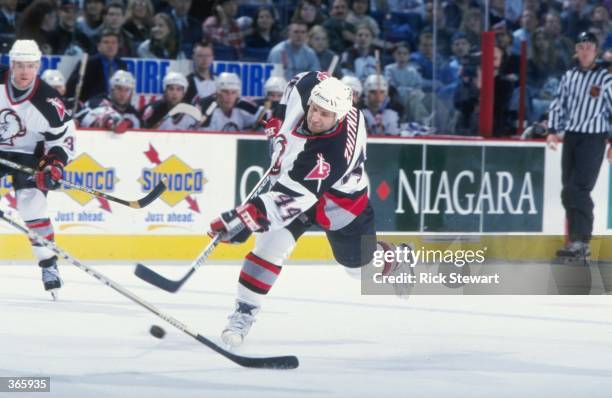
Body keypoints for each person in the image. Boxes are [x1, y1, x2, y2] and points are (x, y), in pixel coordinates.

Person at [208, 72, 407, 347]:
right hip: (299, 187)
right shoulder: (310, 84)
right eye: (314, 109)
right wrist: (278, 119)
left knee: (359, 271)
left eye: (325, 115)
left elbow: (289, 200)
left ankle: (393, 258)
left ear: (338, 116)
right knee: (267, 249)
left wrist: (245, 218)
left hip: (339, 204)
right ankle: (243, 313)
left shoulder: (333, 153)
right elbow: (296, 84)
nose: (315, 118)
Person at [0, 40, 76, 299]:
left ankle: (48, 265)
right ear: (11, 64)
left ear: (38, 66)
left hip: (31, 156)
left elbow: (64, 138)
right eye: (20, 65)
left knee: (31, 205)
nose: (24, 72)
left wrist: (55, 163)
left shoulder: (49, 101)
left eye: (30, 66)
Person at [547, 31, 612, 258]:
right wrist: (552, 130)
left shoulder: (605, 79)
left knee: (578, 188)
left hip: (594, 139)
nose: (585, 51)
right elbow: (558, 104)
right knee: (568, 190)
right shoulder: (569, 77)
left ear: (595, 51)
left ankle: (582, 240)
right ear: (576, 51)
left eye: (589, 47)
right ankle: (576, 241)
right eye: (581, 47)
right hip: (572, 137)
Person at [66, 29, 128, 103]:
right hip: (93, 106)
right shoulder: (88, 63)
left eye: (114, 43)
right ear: (99, 46)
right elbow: (72, 88)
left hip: (116, 106)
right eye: (106, 42)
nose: (110, 46)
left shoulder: (122, 64)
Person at [76, 70, 141, 133]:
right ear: (112, 89)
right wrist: (101, 121)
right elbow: (79, 118)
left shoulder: (134, 115)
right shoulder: (97, 102)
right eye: (119, 88)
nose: (122, 94)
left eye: (127, 90)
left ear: (131, 92)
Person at [198, 72, 263, 131]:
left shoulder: (242, 106)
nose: (229, 96)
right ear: (218, 93)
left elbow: (264, 114)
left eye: (233, 92)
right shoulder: (207, 108)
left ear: (237, 94)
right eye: (225, 92)